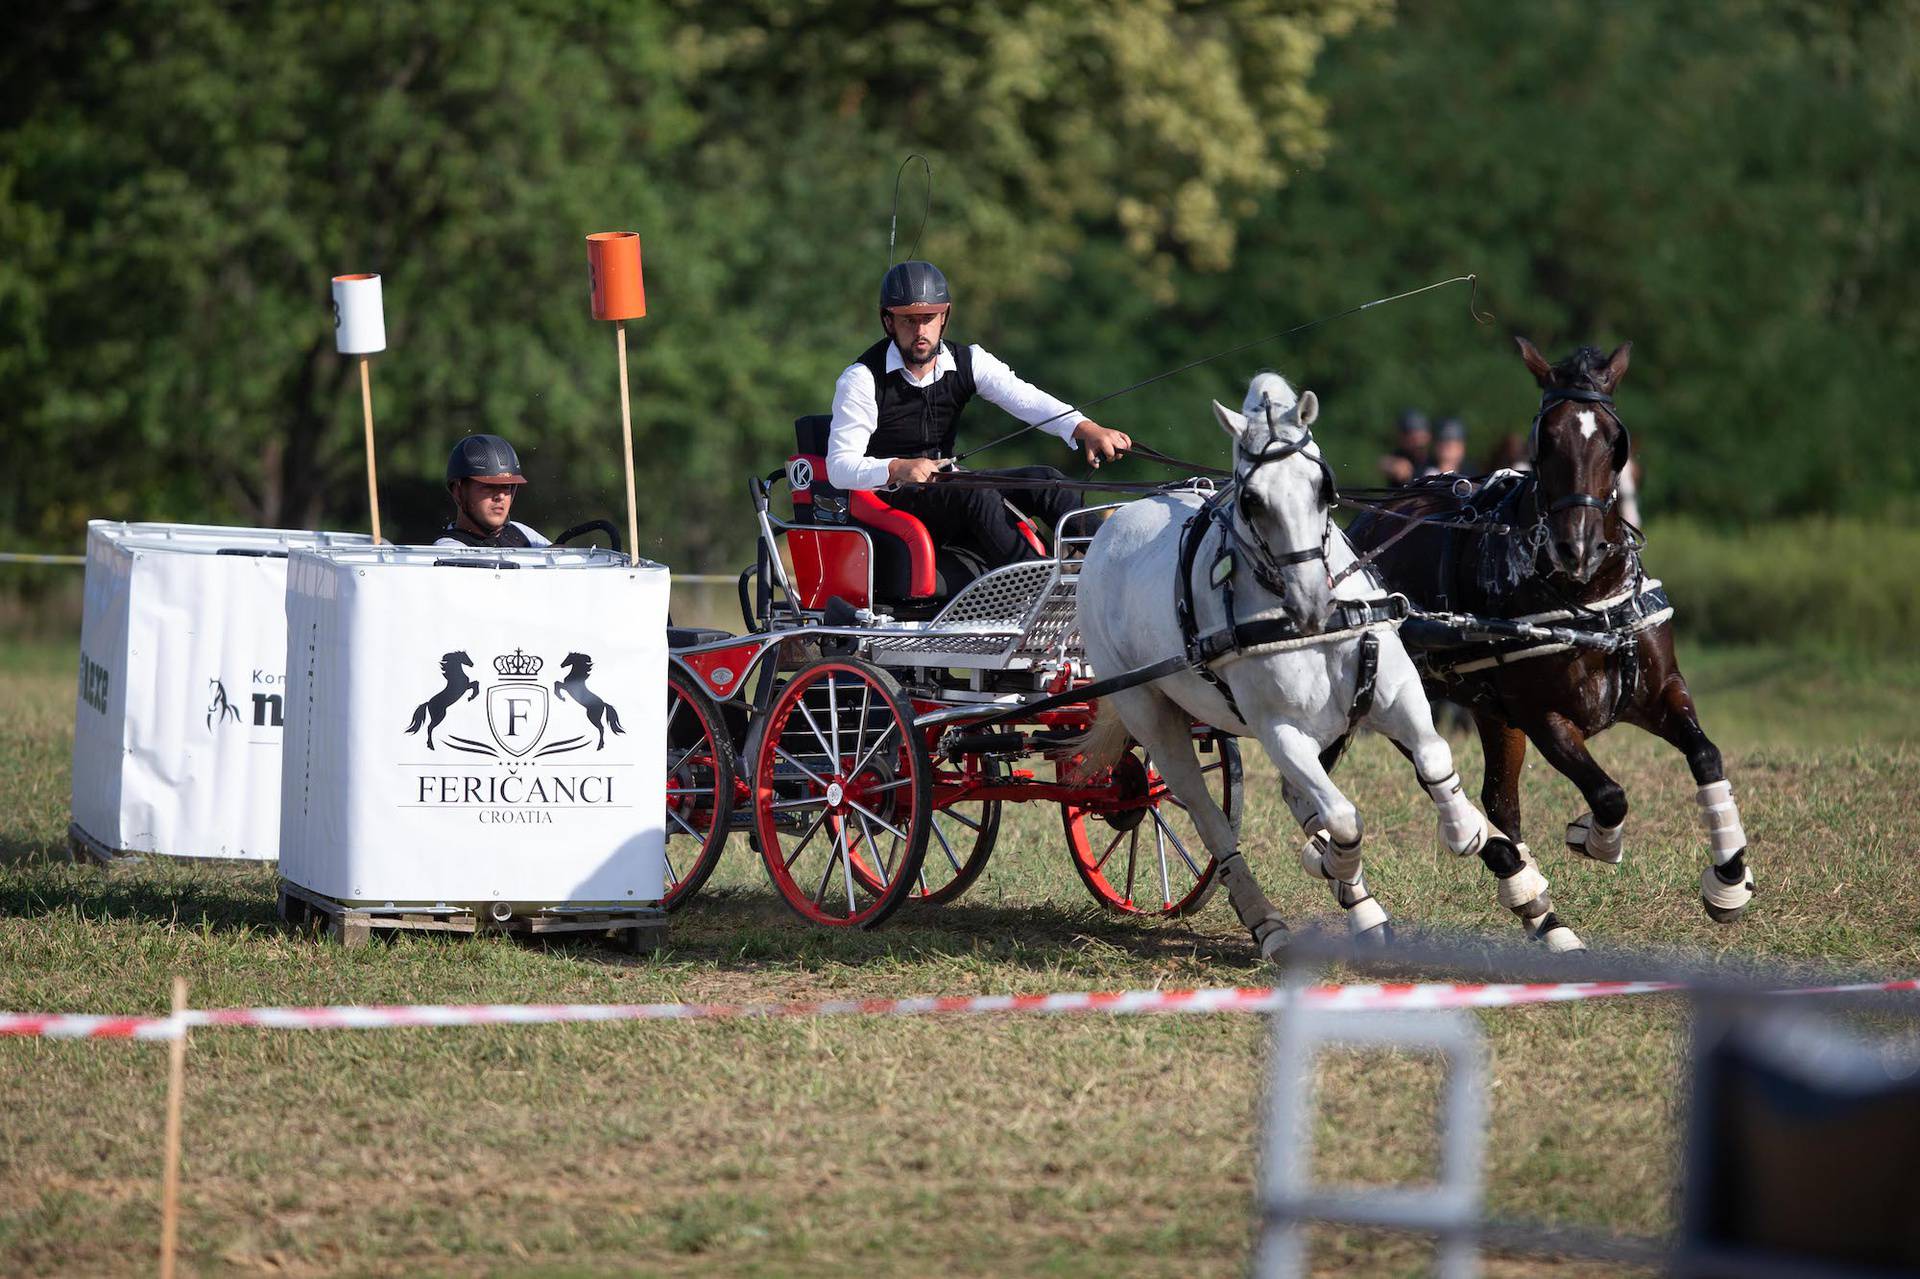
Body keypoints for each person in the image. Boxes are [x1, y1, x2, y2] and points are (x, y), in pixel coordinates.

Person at [826, 260, 1133, 568]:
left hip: (946, 490)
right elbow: (839, 467)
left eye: (928, 318)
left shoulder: (968, 360)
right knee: (978, 495)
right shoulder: (862, 379)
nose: (920, 331)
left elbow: (1024, 397)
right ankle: (1038, 589)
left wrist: (1085, 427)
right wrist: (898, 467)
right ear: (889, 321)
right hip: (891, 502)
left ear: (943, 317)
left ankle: (1116, 569)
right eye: (908, 320)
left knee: (1046, 481)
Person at [434, 434, 550, 548]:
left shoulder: (522, 533)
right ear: (458, 492)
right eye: (488, 486)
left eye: (506, 487)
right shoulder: (448, 548)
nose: (500, 496)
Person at [1379, 409, 1431, 487]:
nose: (1415, 440)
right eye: (1409, 436)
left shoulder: (1434, 459)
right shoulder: (1399, 456)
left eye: (1419, 436)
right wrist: (1393, 465)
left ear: (1428, 436)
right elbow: (1383, 463)